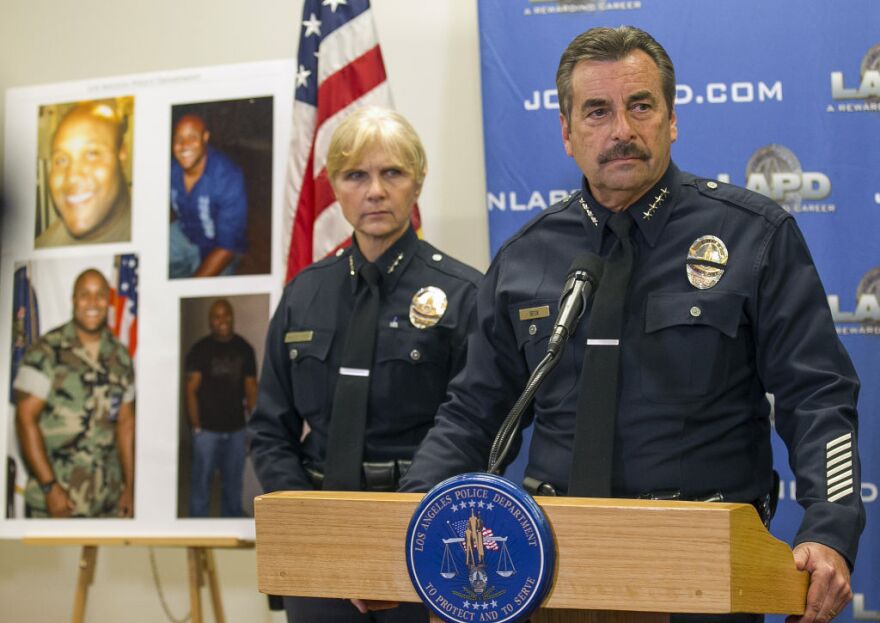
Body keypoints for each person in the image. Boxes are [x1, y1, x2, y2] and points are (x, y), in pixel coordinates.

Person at [399, 26, 863, 623]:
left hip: (703, 564)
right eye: (597, 111)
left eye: (640, 106)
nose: (621, 129)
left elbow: (817, 396)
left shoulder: (753, 236)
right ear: (566, 132)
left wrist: (829, 528)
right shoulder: (524, 257)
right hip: (549, 571)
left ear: (672, 119)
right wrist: (406, 519)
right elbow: (473, 413)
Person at [248, 107, 482, 623]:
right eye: (356, 175)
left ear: (418, 180)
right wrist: (309, 521)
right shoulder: (304, 293)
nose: (375, 191)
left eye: (392, 172)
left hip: (424, 535)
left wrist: (400, 529)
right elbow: (268, 429)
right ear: (334, 186)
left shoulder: (465, 293)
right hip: (316, 533)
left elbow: (474, 426)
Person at [14, 269, 135, 518]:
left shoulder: (121, 357)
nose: (93, 303)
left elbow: (126, 423)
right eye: (85, 295)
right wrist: (49, 487)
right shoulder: (46, 351)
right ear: (73, 300)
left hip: (108, 500)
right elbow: (25, 419)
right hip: (58, 502)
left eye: (100, 295)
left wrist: (130, 487)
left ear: (109, 301)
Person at [184, 298, 257, 517]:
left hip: (236, 430)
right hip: (206, 432)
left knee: (233, 487)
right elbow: (190, 390)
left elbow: (251, 389)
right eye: (216, 317)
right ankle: (197, 530)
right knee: (201, 485)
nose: (222, 320)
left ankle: (231, 527)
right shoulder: (200, 349)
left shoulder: (245, 349)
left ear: (232, 317)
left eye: (226, 315)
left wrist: (252, 429)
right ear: (210, 321)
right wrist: (196, 426)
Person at [36, 101, 131, 248]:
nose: (72, 177)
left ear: (122, 155)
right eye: (61, 160)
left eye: (92, 154)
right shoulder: (43, 247)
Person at [169, 113, 248, 278]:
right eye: (178, 139)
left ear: (205, 137)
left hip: (218, 247)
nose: (184, 145)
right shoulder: (171, 169)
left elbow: (227, 247)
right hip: (185, 232)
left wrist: (191, 288)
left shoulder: (228, 177)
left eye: (192, 137)